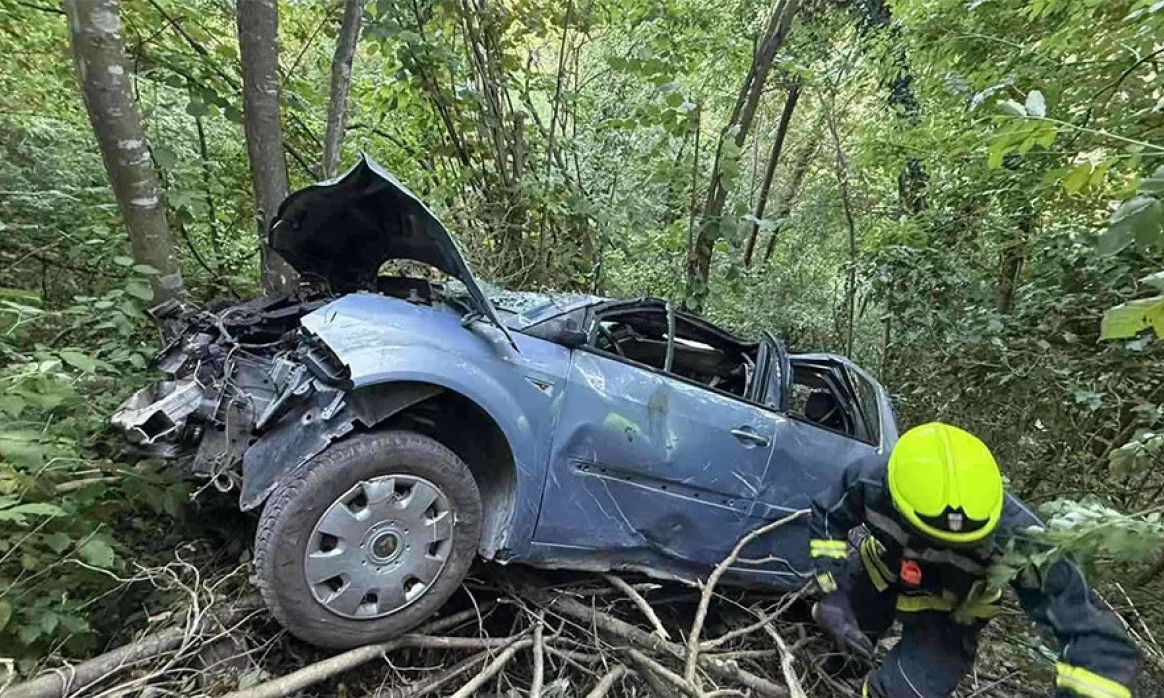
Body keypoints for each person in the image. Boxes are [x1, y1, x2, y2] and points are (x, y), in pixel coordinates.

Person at [808, 422, 1138, 698]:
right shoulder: (869, 480)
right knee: (841, 648)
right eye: (930, 538)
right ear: (893, 499)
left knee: (904, 691)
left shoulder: (1022, 538)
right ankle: (825, 681)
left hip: (949, 612)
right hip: (880, 575)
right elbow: (827, 518)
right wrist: (832, 593)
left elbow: (1094, 637)